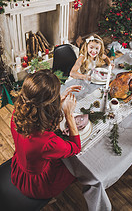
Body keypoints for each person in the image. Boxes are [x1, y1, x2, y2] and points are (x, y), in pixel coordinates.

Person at [11, 69, 82, 199]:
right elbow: (76, 147)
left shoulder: (18, 114)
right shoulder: (47, 142)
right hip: (37, 186)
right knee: (77, 168)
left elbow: (39, 118)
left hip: (19, 169)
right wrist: (68, 115)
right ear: (48, 104)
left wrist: (58, 101)